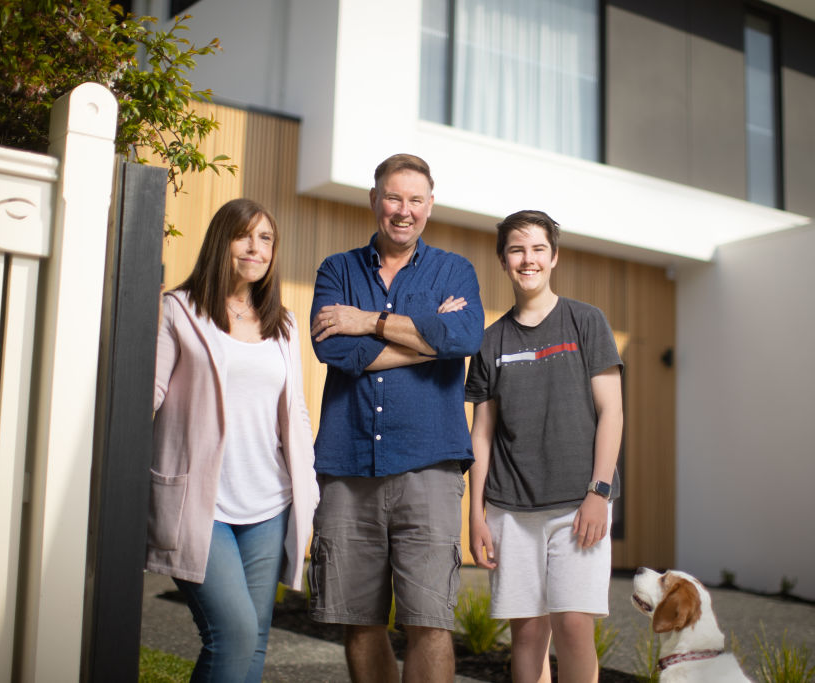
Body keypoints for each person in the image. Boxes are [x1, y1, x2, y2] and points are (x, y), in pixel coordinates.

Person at [308, 153, 484, 683]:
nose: (402, 211)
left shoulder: (455, 271)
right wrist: (429, 341)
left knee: (430, 621)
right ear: (374, 200)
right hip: (348, 464)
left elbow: (465, 337)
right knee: (358, 621)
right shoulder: (337, 269)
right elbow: (335, 353)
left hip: (429, 465)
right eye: (393, 197)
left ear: (429, 207)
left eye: (414, 200)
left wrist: (367, 321)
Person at [149, 198, 319, 682]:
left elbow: (296, 410)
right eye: (244, 235)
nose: (255, 247)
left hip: (269, 502)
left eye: (266, 238)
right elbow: (149, 395)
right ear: (220, 242)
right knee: (234, 634)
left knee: (255, 640)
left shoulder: (282, 323)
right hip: (202, 504)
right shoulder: (178, 310)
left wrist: (308, 485)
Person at [465, 209, 624, 683]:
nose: (527, 259)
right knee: (528, 634)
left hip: (578, 506)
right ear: (503, 260)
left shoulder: (586, 322)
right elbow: (482, 434)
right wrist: (475, 514)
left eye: (538, 249)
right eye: (516, 249)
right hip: (510, 510)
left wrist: (599, 492)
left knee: (574, 625)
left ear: (554, 257)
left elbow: (612, 412)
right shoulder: (491, 341)